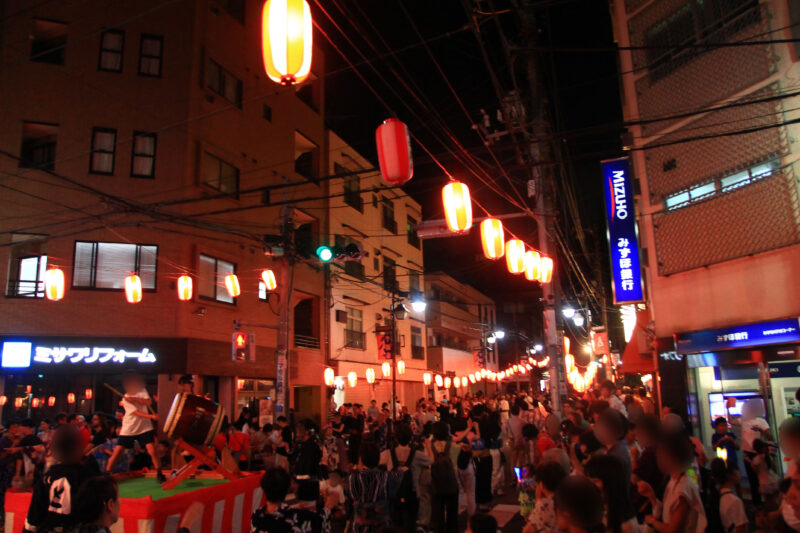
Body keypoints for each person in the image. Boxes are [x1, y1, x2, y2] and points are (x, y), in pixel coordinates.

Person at [23, 425, 100, 533]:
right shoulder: (89, 478)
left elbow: (33, 520)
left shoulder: (46, 479)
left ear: (54, 449)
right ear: (80, 446)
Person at [638, 430, 707, 533]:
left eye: (660, 453)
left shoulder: (683, 488)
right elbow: (669, 511)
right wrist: (651, 496)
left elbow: (673, 529)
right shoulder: (675, 480)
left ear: (670, 457)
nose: (658, 457)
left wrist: (652, 521)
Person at [105, 372, 165, 482]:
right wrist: (151, 416)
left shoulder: (142, 391)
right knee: (118, 451)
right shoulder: (125, 398)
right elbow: (136, 412)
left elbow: (147, 402)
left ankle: (159, 473)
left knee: (152, 451)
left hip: (144, 427)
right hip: (130, 427)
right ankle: (107, 474)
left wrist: (134, 399)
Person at [251, 467, 336, 533]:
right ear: (286, 489)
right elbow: (320, 521)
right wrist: (328, 506)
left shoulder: (256, 516)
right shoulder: (296, 517)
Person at [348, 439, 404, 533]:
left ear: (360, 459)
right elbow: (399, 476)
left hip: (360, 527)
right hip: (382, 526)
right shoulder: (386, 477)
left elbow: (352, 497)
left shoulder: (353, 478)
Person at [584, 454, 640, 533]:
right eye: (587, 480)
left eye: (594, 481)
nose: (588, 485)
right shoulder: (599, 506)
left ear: (610, 483)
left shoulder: (626, 524)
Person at [427, 421, 460, 533]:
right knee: (452, 516)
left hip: (435, 484)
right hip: (451, 483)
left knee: (437, 515)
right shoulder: (454, 446)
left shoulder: (429, 447)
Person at [523, 461, 567, 533]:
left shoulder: (545, 505)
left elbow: (527, 531)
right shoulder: (567, 500)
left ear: (542, 485)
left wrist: (538, 501)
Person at [741, 399, 771, 506]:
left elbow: (770, 436)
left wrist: (760, 430)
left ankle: (769, 502)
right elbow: (731, 421)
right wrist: (727, 407)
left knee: (765, 478)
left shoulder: (761, 421)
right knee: (752, 480)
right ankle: (757, 503)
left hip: (759, 452)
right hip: (747, 453)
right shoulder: (743, 421)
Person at [709, 458, 747, 533]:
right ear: (730, 474)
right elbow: (741, 529)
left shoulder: (716, 496)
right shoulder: (735, 501)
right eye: (737, 469)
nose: (739, 472)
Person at [593, 408, 632, 482]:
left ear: (607, 429)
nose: (595, 428)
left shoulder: (614, 458)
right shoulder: (621, 444)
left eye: (597, 424)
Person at [752, 438, 780, 506]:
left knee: (767, 500)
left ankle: (770, 513)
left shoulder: (756, 459)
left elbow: (756, 471)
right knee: (774, 498)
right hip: (772, 479)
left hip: (764, 482)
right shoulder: (768, 456)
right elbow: (774, 467)